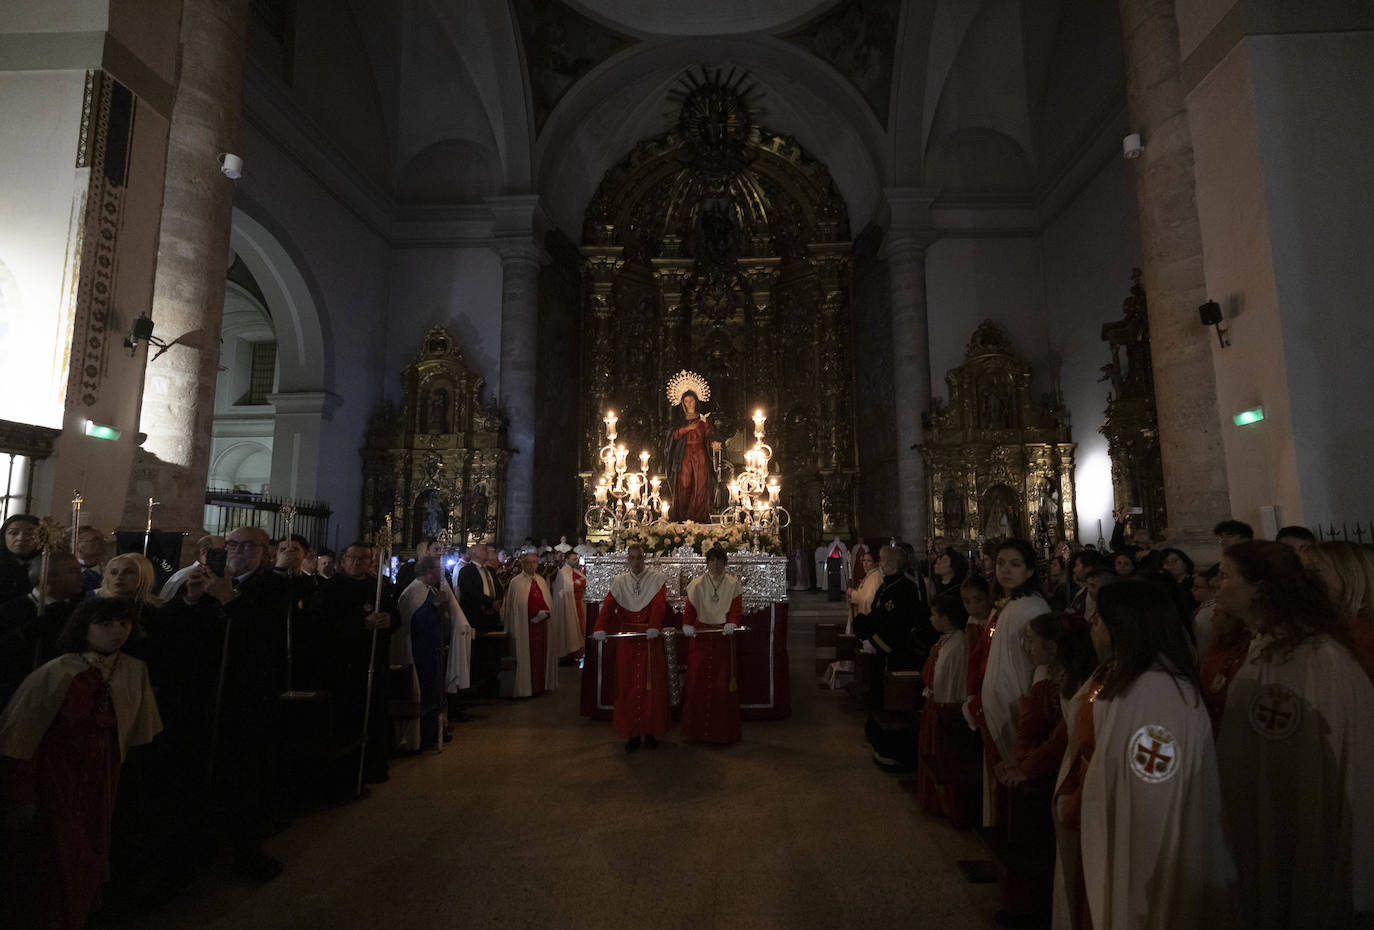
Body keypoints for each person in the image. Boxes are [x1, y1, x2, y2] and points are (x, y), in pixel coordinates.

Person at [1215, 541, 1374, 928]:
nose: (1216, 585)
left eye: (1225, 577)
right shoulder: (1267, 646)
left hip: (1299, 824)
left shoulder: (1311, 658)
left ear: (1260, 589)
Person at [1069, 580, 1235, 929]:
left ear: (1124, 627)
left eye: (1100, 618)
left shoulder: (1157, 694)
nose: (1092, 625)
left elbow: (1155, 797)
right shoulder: (1136, 679)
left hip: (1143, 854)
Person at [0, 597, 161, 930]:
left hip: (104, 776)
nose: (118, 631)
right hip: (59, 776)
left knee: (95, 849)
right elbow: (20, 735)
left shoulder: (133, 670)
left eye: (124, 624)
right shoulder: (58, 672)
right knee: (62, 852)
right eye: (106, 624)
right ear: (84, 627)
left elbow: (137, 732)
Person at [310, 541, 394, 788]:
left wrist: (389, 619)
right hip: (344, 665)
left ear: (370, 562)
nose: (357, 563)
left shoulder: (377, 586)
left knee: (375, 714)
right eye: (352, 558)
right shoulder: (330, 589)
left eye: (363, 559)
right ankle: (348, 771)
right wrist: (361, 624)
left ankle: (373, 765)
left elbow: (394, 614)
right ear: (343, 561)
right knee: (349, 717)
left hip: (373, 661)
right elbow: (322, 625)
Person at [852, 545, 932, 770]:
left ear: (891, 565)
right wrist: (865, 625)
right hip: (881, 647)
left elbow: (896, 622)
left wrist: (873, 637)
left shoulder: (903, 587)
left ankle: (892, 750)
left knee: (890, 697)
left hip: (894, 651)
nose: (880, 564)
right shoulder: (888, 584)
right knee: (877, 693)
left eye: (883, 561)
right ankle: (878, 738)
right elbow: (878, 613)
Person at [591, 544, 669, 751]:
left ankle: (650, 731)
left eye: (639, 558)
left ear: (645, 559)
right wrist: (599, 627)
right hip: (628, 640)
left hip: (648, 641)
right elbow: (608, 607)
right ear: (628, 560)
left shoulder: (656, 579)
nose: (636, 563)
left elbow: (658, 606)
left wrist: (654, 626)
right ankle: (632, 733)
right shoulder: (620, 581)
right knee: (627, 686)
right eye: (632, 558)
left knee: (650, 686)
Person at [917, 590, 978, 826]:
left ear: (946, 617)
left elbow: (950, 680)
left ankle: (946, 804)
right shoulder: (948, 641)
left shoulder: (957, 646)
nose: (931, 619)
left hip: (944, 706)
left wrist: (941, 702)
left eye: (934, 615)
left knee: (942, 754)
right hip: (934, 703)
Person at [0, 552, 86, 711]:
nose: (81, 577)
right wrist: (26, 633)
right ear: (48, 577)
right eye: (73, 572)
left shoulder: (80, 611)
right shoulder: (11, 611)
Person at [681, 546, 742, 745]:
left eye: (719, 561)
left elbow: (735, 608)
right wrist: (687, 624)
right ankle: (696, 732)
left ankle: (721, 733)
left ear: (725, 563)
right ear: (707, 563)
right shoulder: (697, 584)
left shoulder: (733, 584)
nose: (716, 565)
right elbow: (690, 609)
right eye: (712, 561)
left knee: (721, 684)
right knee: (697, 682)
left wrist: (732, 621)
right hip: (701, 637)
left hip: (722, 638)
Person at [1303, 540, 1374, 684]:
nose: (1306, 579)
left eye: (1314, 571)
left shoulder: (1359, 632)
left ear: (1349, 575)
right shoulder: (1338, 625)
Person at [501, 552, 558, 697]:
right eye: (529, 562)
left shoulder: (541, 580)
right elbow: (515, 607)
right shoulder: (516, 582)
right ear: (523, 564)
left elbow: (548, 601)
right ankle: (526, 688)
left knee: (541, 657)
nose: (532, 565)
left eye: (534, 562)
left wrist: (545, 613)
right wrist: (532, 614)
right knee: (526, 658)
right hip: (525, 627)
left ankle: (540, 686)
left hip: (542, 627)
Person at [663, 383, 722, 523]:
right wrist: (687, 428)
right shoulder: (679, 420)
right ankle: (682, 517)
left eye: (691, 400)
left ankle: (699, 518)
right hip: (684, 454)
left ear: (696, 401)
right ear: (682, 403)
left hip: (700, 454)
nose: (689, 404)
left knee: (700, 484)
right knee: (684, 483)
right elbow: (672, 435)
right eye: (686, 401)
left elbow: (710, 435)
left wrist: (714, 443)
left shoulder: (703, 419)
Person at [158, 535, 224, 602]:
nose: (226, 554)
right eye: (222, 550)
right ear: (204, 552)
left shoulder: (214, 576)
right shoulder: (186, 577)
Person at [457, 542, 501, 632]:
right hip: (476, 616)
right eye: (484, 549)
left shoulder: (491, 570)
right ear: (474, 553)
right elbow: (470, 592)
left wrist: (498, 602)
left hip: (493, 616)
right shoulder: (466, 571)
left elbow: (499, 588)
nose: (488, 551)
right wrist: (490, 603)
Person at [551, 550, 586, 661]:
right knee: (570, 628)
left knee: (580, 629)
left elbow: (584, 581)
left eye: (576, 559)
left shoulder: (576, 570)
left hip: (578, 603)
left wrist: (580, 582)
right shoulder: (562, 572)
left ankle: (578, 653)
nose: (576, 561)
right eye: (573, 559)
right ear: (566, 560)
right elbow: (565, 588)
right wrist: (579, 583)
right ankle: (570, 654)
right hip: (569, 604)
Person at [0, 514, 40, 604]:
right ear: (4, 536)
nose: (21, 538)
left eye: (30, 534)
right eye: (14, 533)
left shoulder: (48, 565)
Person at [74, 526, 106, 598]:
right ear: (78, 545)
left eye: (103, 539)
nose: (102, 543)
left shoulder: (107, 569)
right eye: (95, 540)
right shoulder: (71, 571)